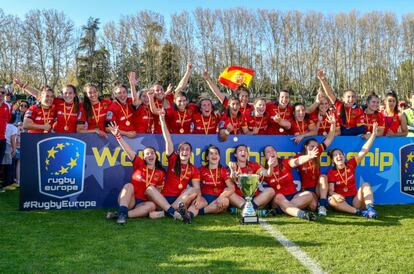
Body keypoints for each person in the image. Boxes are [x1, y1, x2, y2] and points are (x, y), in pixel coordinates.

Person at [105, 122, 166, 225]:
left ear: (155, 156)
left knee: (152, 206)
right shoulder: (139, 163)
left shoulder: (160, 173)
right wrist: (117, 135)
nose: (150, 155)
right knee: (129, 185)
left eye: (152, 153)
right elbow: (127, 149)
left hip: (143, 204)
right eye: (147, 154)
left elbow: (158, 194)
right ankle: (123, 211)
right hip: (130, 200)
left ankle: (122, 215)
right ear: (144, 157)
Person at [146, 111, 200, 223]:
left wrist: (198, 197)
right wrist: (162, 120)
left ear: (190, 153)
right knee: (150, 188)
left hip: (181, 200)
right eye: (182, 149)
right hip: (164, 199)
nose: (185, 151)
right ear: (178, 152)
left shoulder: (193, 169)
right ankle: (171, 211)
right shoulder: (173, 159)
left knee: (193, 190)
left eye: (187, 149)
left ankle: (165, 213)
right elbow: (168, 139)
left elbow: (197, 188)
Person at [327, 123, 379, 218]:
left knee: (366, 185)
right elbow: (330, 191)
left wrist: (373, 135)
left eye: (340, 154)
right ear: (333, 160)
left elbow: (364, 150)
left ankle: (370, 209)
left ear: (344, 156)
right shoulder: (331, 172)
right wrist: (335, 195)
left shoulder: (351, 164)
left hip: (356, 200)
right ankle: (360, 213)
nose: (338, 156)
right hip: (342, 201)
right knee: (331, 199)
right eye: (335, 155)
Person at [294, 112, 336, 216]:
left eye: (315, 146)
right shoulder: (299, 157)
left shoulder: (318, 153)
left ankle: (322, 205)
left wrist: (333, 124)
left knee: (323, 177)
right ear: (305, 147)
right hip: (306, 189)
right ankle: (317, 205)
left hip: (319, 187)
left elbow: (329, 139)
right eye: (311, 146)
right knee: (312, 207)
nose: (314, 148)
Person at [262, 145, 319, 221]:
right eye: (268, 152)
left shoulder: (285, 162)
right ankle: (302, 214)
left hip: (293, 196)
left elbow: (297, 161)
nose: (271, 152)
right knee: (279, 196)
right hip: (278, 200)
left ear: (276, 153)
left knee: (309, 194)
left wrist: (308, 156)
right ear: (265, 157)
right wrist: (270, 166)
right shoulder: (264, 170)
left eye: (273, 150)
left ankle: (281, 211)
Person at [187, 145, 235, 217]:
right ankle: (188, 216)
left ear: (219, 157)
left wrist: (221, 197)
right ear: (207, 157)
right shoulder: (201, 170)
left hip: (218, 197)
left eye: (216, 153)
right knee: (196, 204)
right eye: (211, 153)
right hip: (204, 197)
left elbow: (231, 187)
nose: (214, 155)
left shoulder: (223, 170)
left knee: (226, 201)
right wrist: (198, 197)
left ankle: (202, 211)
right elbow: (196, 187)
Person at [228, 144, 276, 212]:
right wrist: (232, 170)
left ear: (247, 154)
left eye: (245, 151)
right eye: (240, 150)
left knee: (271, 191)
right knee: (227, 192)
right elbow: (231, 180)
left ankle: (248, 208)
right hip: (239, 199)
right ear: (235, 155)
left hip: (255, 198)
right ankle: (252, 209)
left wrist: (271, 166)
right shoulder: (232, 165)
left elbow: (268, 174)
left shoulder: (254, 165)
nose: (243, 152)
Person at [317, 70, 365, 135]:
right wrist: (323, 80)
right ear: (343, 98)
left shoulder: (359, 110)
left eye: (353, 97)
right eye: (348, 97)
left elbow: (360, 129)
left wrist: (345, 131)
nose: (351, 99)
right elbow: (329, 94)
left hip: (353, 138)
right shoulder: (339, 105)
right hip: (340, 137)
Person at [0, 85, 12, 192]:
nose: (1, 94)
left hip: (2, 139)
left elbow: (7, 120)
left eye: (3, 92)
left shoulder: (7, 106)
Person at [1, 114, 17, 191]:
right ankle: (7, 184)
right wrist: (14, 149)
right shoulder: (13, 127)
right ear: (14, 120)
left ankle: (7, 181)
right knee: (8, 165)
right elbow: (13, 139)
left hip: (3, 144)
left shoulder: (4, 125)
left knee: (4, 165)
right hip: (8, 146)